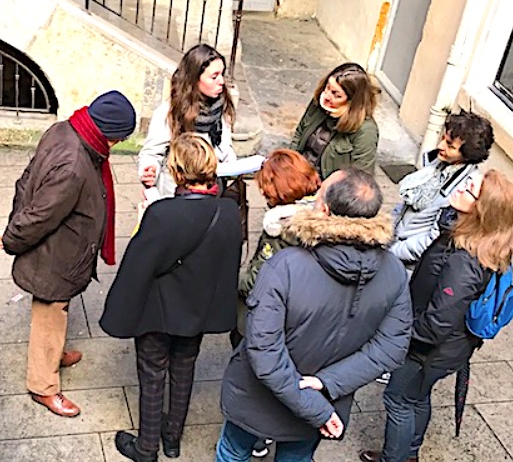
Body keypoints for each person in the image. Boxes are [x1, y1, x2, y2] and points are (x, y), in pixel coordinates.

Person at [216, 167, 412, 462]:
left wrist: (312, 403)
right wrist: (326, 384)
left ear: (323, 209)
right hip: (323, 404)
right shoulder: (394, 270)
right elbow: (390, 349)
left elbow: (265, 352)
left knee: (233, 452)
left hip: (258, 400)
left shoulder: (286, 266)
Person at [360, 168, 513, 462]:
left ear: (482, 211)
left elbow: (436, 325)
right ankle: (409, 453)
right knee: (417, 396)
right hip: (449, 349)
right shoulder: (472, 239)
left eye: (470, 189)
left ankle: (394, 458)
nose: (461, 187)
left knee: (398, 399)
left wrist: (397, 334)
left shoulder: (464, 262)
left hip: (429, 351)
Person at [100, 133, 243, 462]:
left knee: (152, 373)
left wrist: (143, 222)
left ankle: (147, 447)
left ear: (177, 172)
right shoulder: (228, 212)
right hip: (197, 311)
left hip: (158, 311)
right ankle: (173, 438)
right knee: (184, 369)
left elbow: (142, 263)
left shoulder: (163, 213)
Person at [1, 90, 136, 417]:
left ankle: (52, 352)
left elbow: (26, 180)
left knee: (58, 309)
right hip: (54, 258)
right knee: (49, 313)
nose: (117, 145)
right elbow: (41, 215)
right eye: (118, 138)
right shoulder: (74, 166)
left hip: (62, 252)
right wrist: (12, 238)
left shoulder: (65, 128)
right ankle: (43, 386)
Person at [233, 149, 321, 459]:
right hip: (303, 323)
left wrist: (232, 284)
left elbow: (258, 281)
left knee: (257, 380)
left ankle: (257, 437)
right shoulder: (318, 218)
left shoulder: (280, 227)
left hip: (266, 319)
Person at [389, 111, 494, 269]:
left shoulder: (463, 192)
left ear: (467, 154)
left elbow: (431, 240)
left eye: (450, 145)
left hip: (406, 264)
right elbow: (405, 206)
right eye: (443, 139)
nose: (440, 146)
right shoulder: (438, 164)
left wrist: (392, 252)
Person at [138, 43, 236, 197]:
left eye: (222, 74)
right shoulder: (169, 112)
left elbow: (225, 146)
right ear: (195, 79)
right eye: (214, 76)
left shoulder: (221, 106)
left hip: (213, 192)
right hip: (176, 196)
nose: (221, 81)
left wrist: (233, 165)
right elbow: (151, 154)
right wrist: (149, 170)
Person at [291, 62, 380, 179]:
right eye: (327, 87)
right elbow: (300, 133)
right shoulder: (319, 102)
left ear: (352, 101)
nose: (327, 96)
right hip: (300, 173)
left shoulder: (366, 131)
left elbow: (361, 177)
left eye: (336, 95)